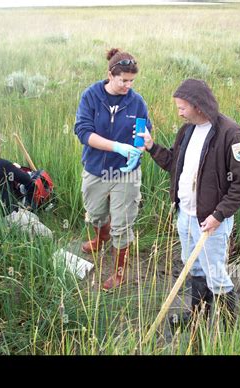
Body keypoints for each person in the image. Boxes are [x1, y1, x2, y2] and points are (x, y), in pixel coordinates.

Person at [139, 79, 240, 329]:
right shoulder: (187, 130)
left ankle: (227, 328)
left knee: (216, 275)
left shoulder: (231, 135)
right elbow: (174, 164)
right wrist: (151, 146)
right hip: (185, 216)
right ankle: (197, 317)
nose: (179, 112)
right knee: (195, 268)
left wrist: (218, 215)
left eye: (182, 107)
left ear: (198, 106)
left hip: (211, 222)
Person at [74, 48, 152, 291]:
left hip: (126, 173)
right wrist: (117, 147)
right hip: (96, 169)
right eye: (123, 80)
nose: (128, 85)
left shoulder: (136, 102)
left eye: (132, 81)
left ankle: (119, 273)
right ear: (110, 74)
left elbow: (143, 131)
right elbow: (84, 133)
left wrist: (139, 147)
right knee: (95, 214)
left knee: (122, 225)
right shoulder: (91, 96)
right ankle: (101, 236)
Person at [0, 128, 53, 238]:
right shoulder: (3, 164)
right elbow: (30, 182)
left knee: (33, 218)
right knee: (48, 235)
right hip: (6, 217)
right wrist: (28, 205)